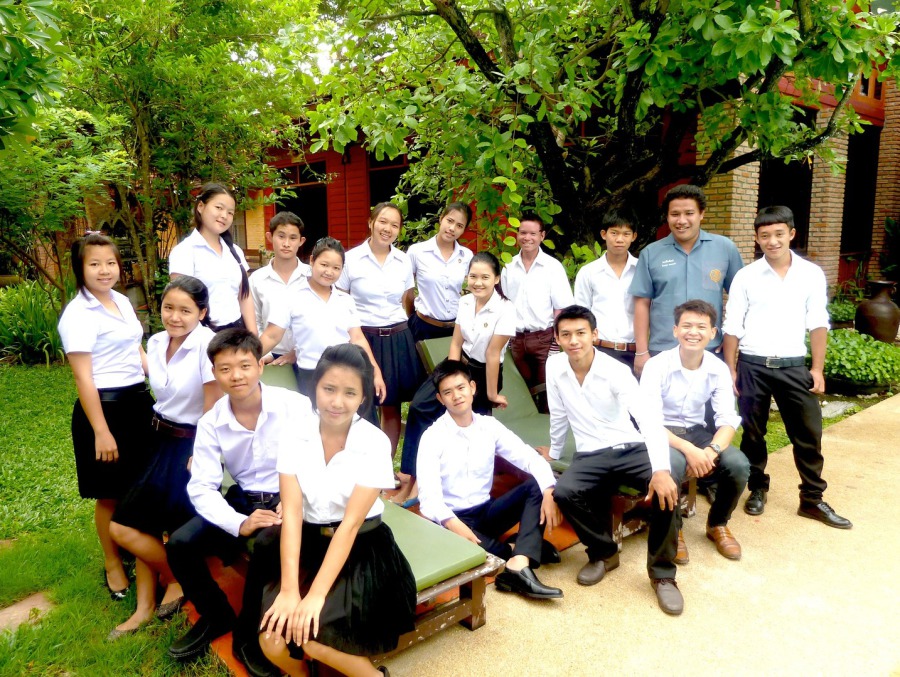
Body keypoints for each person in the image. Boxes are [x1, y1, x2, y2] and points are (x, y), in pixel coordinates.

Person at [259, 344, 416, 677]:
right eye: (328, 389)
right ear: (314, 386)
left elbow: (350, 525)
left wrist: (315, 596)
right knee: (272, 641)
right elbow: (293, 515)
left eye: (349, 393)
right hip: (310, 542)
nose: (336, 402)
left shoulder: (373, 442)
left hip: (363, 549)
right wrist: (289, 590)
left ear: (363, 398)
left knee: (314, 640)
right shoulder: (294, 435)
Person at [166, 329, 312, 677]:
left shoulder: (294, 406)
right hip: (244, 500)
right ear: (214, 372)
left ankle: (246, 634)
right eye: (225, 368)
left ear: (260, 366)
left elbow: (317, 456)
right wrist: (238, 522)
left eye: (245, 365)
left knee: (265, 546)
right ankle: (216, 614)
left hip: (291, 495)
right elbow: (202, 486)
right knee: (180, 544)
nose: (236, 376)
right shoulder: (211, 422)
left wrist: (297, 498)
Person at [548, 305, 683, 615]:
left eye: (581, 333)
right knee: (565, 492)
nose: (574, 341)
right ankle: (604, 553)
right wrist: (554, 453)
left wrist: (661, 470)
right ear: (557, 338)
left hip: (629, 448)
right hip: (590, 453)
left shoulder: (615, 371)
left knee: (667, 488)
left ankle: (663, 575)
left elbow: (647, 419)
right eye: (566, 334)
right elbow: (558, 413)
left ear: (594, 334)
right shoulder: (554, 367)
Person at [722, 206, 852, 529]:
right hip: (752, 365)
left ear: (791, 234)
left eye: (779, 234)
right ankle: (757, 489)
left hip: (794, 366)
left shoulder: (811, 274)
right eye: (765, 235)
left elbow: (818, 322)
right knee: (753, 434)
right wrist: (731, 370)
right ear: (756, 238)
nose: (772, 241)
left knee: (808, 432)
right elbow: (732, 326)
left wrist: (817, 369)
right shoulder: (746, 276)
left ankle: (812, 498)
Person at [107, 276, 221, 641]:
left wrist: (201, 454)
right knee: (137, 525)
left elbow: (212, 408)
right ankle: (156, 596)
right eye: (168, 308)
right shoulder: (156, 342)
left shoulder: (208, 347)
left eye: (185, 310)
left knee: (134, 525)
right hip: (154, 436)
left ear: (202, 313)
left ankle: (175, 580)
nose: (174, 316)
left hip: (189, 445)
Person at [58, 233, 154, 605]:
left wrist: (162, 378)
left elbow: (136, 348)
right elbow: (83, 377)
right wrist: (101, 430)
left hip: (138, 403)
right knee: (110, 493)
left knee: (141, 485)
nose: (104, 270)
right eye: (95, 264)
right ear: (80, 268)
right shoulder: (78, 314)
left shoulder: (121, 301)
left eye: (110, 263)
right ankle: (112, 562)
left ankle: (137, 548)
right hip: (104, 409)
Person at [417, 359, 563, 600]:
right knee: (479, 553)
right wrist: (454, 525)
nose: (456, 396)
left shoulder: (489, 426)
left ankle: (517, 561)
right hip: (453, 521)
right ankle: (521, 549)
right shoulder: (432, 437)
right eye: (448, 392)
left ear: (473, 387)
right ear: (440, 399)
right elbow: (429, 500)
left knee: (536, 485)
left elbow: (528, 457)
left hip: (486, 512)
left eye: (461, 387)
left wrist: (549, 490)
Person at [396, 252, 518, 506]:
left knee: (470, 432)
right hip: (459, 364)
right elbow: (456, 343)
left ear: (496, 279)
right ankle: (412, 477)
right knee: (420, 406)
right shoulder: (465, 302)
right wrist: (449, 377)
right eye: (473, 276)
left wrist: (492, 394)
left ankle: (455, 492)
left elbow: (492, 354)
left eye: (485, 277)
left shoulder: (506, 309)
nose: (478, 282)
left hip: (484, 374)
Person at [640, 300, 749, 563]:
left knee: (738, 464)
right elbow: (649, 421)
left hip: (697, 432)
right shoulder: (657, 365)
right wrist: (689, 450)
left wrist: (711, 452)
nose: (693, 332)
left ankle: (717, 523)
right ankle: (673, 530)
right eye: (687, 325)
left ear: (713, 333)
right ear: (675, 330)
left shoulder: (717, 368)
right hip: (661, 433)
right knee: (672, 466)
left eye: (701, 326)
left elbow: (727, 420)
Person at [258, 237, 385, 426]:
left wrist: (375, 371)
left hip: (348, 371)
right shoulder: (291, 297)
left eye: (336, 268)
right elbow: (272, 335)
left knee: (359, 428)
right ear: (312, 261)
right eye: (324, 265)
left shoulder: (345, 300)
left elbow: (357, 338)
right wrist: (247, 359)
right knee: (317, 429)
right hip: (312, 375)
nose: (329, 272)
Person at [629, 184, 744, 376]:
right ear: (667, 217)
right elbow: (642, 303)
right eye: (675, 214)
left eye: (689, 213)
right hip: (663, 349)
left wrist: (730, 339)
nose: (681, 221)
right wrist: (641, 352)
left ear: (701, 214)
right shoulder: (651, 253)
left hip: (710, 348)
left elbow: (741, 299)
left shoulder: (725, 248)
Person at [338, 202, 423, 457]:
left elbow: (407, 299)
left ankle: (385, 466)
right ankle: (359, 461)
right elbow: (340, 300)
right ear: (371, 223)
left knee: (391, 405)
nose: (388, 229)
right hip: (363, 337)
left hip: (397, 337)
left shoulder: (403, 260)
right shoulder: (350, 259)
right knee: (361, 403)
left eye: (394, 225)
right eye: (383, 222)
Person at [500, 214, 574, 410]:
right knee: (522, 394)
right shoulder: (508, 266)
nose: (527, 238)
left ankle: (551, 428)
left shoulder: (552, 267)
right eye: (523, 233)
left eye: (533, 233)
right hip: (516, 340)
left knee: (549, 393)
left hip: (544, 339)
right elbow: (504, 304)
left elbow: (562, 307)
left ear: (542, 236)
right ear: (517, 235)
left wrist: (556, 341)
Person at [169, 183, 256, 332]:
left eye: (230, 212)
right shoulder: (184, 251)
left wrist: (253, 335)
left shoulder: (235, 252)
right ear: (200, 207)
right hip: (203, 333)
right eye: (219, 208)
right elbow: (180, 303)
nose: (224, 216)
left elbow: (244, 296)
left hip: (237, 331)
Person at [573, 211, 639, 369]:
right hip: (598, 350)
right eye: (614, 233)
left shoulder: (642, 270)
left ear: (634, 237)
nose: (619, 239)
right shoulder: (588, 272)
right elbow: (581, 314)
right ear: (604, 234)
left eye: (626, 234)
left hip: (634, 352)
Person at [405, 201, 474, 342]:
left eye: (459, 226)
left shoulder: (466, 255)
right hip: (423, 327)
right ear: (441, 218)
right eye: (450, 221)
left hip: (456, 328)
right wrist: (411, 316)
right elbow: (407, 289)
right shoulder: (417, 251)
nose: (452, 228)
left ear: (464, 230)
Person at [249, 211, 311, 366]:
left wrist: (297, 352)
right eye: (281, 236)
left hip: (308, 355)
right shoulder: (257, 279)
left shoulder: (312, 277)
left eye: (293, 238)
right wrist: (265, 353)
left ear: (301, 241)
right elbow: (254, 321)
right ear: (270, 237)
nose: (286, 243)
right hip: (268, 356)